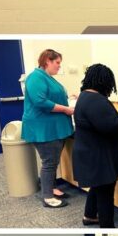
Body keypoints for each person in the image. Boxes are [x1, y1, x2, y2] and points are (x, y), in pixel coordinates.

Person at [72, 64, 118, 228]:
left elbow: (102, 123)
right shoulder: (95, 100)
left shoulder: (85, 96)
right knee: (105, 194)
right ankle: (108, 227)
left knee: (97, 186)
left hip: (90, 153)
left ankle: (89, 216)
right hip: (98, 157)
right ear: (104, 82)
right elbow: (111, 126)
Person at [22, 48, 75, 208]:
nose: (59, 66)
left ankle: (51, 188)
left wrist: (69, 98)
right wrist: (66, 109)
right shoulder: (35, 77)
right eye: (57, 63)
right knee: (49, 162)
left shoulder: (47, 77)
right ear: (47, 61)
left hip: (53, 127)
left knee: (53, 160)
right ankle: (47, 196)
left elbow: (53, 96)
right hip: (43, 128)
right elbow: (41, 102)